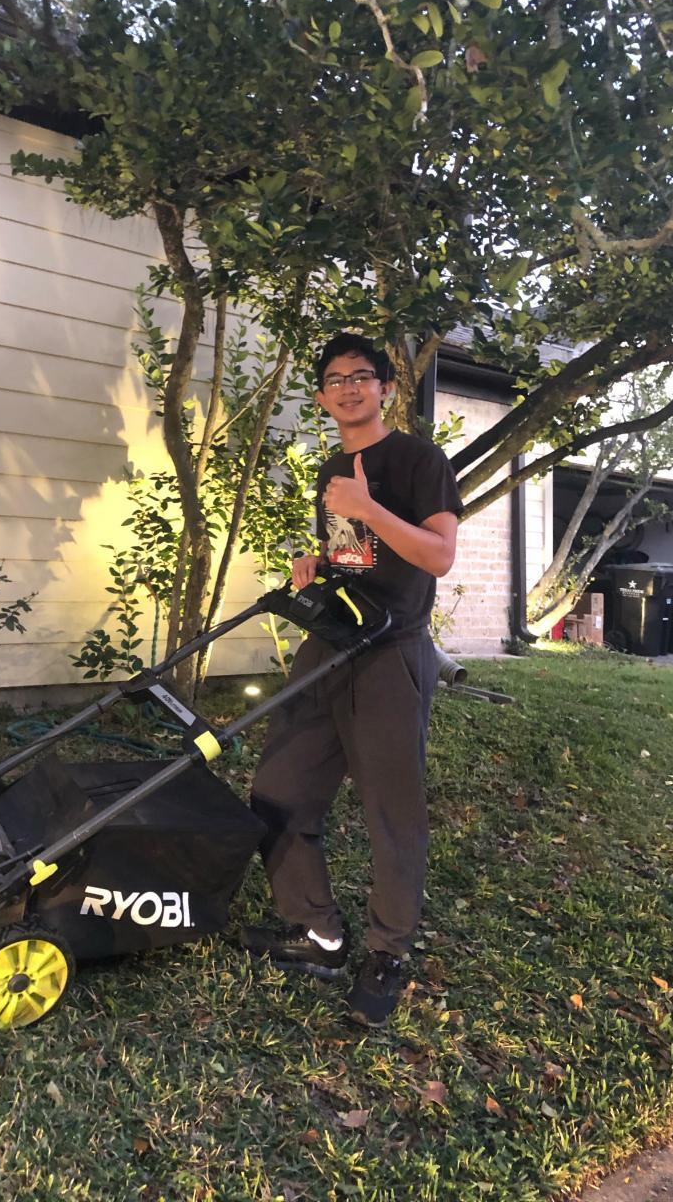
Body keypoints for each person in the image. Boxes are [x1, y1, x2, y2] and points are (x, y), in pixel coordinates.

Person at [239, 331, 463, 1027]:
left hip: (391, 653)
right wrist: (319, 562)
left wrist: (369, 508)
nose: (348, 388)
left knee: (391, 812)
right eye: (335, 379)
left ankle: (388, 952)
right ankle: (319, 932)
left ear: (386, 388)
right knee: (278, 792)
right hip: (331, 643)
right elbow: (354, 554)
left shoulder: (419, 460)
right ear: (321, 396)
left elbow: (439, 556)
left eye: (361, 376)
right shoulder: (334, 469)